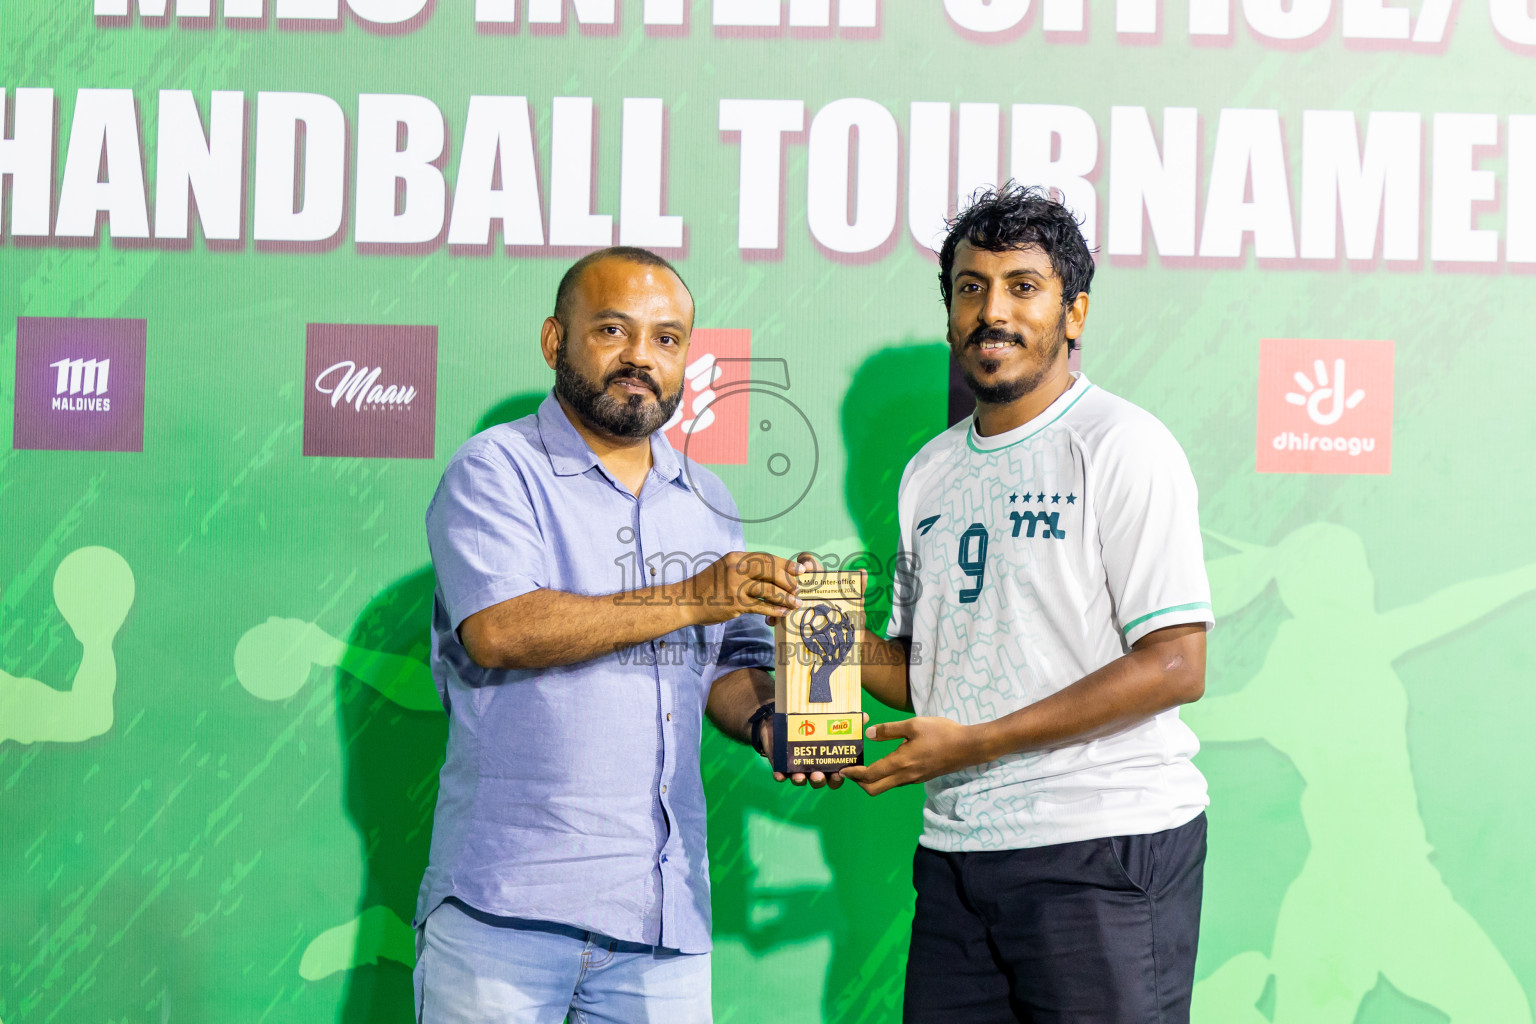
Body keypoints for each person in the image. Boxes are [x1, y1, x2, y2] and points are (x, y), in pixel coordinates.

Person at [413, 246, 832, 1024]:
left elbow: (720, 672)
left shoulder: (707, 499)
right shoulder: (496, 470)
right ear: (554, 342)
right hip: (510, 908)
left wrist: (777, 723)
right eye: (614, 330)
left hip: (664, 920)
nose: (642, 357)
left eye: (668, 339)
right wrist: (695, 595)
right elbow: (501, 631)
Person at [833, 184, 1214, 1022]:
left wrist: (974, 743)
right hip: (959, 854)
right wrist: (822, 635)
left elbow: (1177, 663)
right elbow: (925, 676)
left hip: (1102, 847)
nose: (992, 310)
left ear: (1073, 313)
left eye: (1022, 287)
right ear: (949, 317)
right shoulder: (928, 471)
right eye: (972, 288)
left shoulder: (1122, 445)